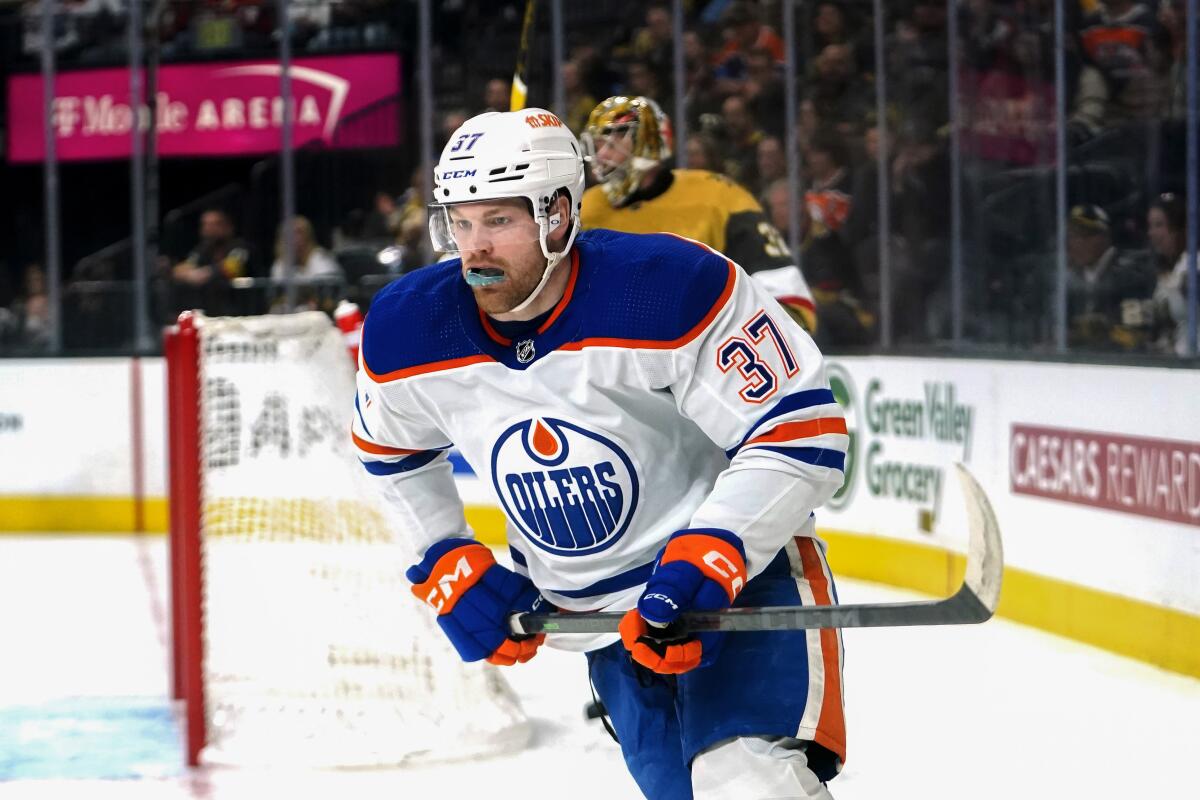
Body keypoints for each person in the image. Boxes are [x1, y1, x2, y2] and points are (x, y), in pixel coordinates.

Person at [353, 109, 849, 800]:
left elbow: (802, 427)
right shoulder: (409, 328)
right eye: (459, 222)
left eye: (498, 220)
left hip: (738, 587)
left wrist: (717, 547)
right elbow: (390, 450)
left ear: (558, 214)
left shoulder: (669, 287)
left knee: (746, 783)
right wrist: (443, 554)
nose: (473, 249)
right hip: (600, 627)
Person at [579, 95, 818, 334]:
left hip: (706, 353)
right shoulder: (585, 209)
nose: (601, 155)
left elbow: (786, 298)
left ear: (648, 141)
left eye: (616, 138)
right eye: (599, 143)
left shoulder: (718, 197)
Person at [1062, 204, 1156, 350]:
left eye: (1084, 235)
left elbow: (1138, 333)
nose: (1076, 243)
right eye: (1072, 236)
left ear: (1104, 236)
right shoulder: (1070, 277)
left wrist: (1105, 330)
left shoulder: (1131, 274)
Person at [170, 207, 252, 316]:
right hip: (210, 311)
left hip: (241, 310)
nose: (209, 229)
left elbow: (232, 269)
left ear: (228, 227)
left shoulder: (240, 246)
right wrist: (186, 273)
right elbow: (183, 269)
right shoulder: (203, 249)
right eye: (205, 224)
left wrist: (204, 273)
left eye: (215, 224)